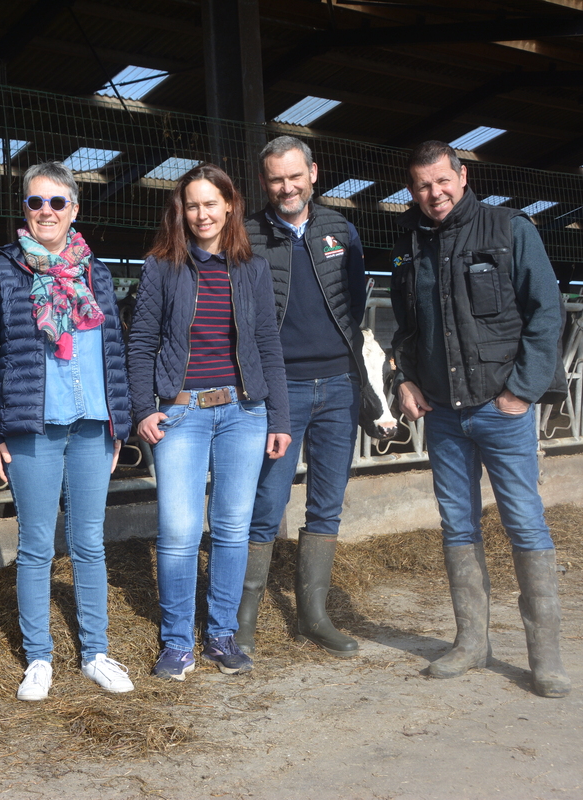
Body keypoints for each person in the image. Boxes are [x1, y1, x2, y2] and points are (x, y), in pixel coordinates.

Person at [389, 141, 570, 698]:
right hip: (444, 414)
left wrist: (522, 390)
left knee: (524, 522)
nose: (433, 194)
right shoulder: (412, 243)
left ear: (462, 176)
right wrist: (404, 379)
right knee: (458, 525)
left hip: (501, 409)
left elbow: (547, 311)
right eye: (421, 186)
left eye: (441, 181)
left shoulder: (509, 229)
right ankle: (471, 643)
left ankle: (546, 658)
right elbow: (406, 326)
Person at [0, 161, 134, 701]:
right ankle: (39, 658)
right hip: (31, 426)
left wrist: (119, 425)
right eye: (36, 202)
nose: (46, 212)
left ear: (74, 211)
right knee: (37, 544)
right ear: (25, 210)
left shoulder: (96, 275)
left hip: (91, 423)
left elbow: (114, 354)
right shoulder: (1, 273)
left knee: (89, 541)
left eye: (57, 203)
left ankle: (96, 652)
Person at [128, 163, 291, 681]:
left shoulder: (252, 268)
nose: (202, 213)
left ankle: (220, 635)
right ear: (182, 210)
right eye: (192, 204)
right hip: (181, 412)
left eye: (211, 203)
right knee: (177, 530)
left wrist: (279, 417)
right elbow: (140, 343)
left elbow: (268, 344)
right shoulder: (161, 267)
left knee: (230, 528)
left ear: (229, 206)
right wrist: (142, 409)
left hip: (244, 413)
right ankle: (177, 642)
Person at [237, 135, 371, 658]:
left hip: (340, 384)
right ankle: (242, 620)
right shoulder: (247, 234)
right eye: (275, 179)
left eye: (295, 176)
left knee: (326, 505)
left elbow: (353, 300)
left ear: (314, 173)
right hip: (282, 390)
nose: (287, 187)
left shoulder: (340, 229)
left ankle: (313, 616)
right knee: (266, 502)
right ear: (264, 182)